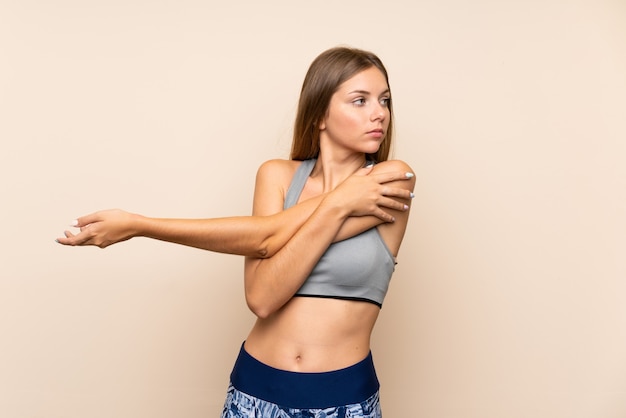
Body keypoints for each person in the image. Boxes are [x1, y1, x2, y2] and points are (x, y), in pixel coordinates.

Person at [57, 46, 415, 417]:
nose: (380, 113)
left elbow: (268, 237)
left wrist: (142, 225)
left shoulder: (392, 180)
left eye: (384, 100)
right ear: (320, 114)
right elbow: (262, 296)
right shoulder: (276, 176)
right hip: (254, 392)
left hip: (346, 399)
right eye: (360, 100)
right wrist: (340, 203)